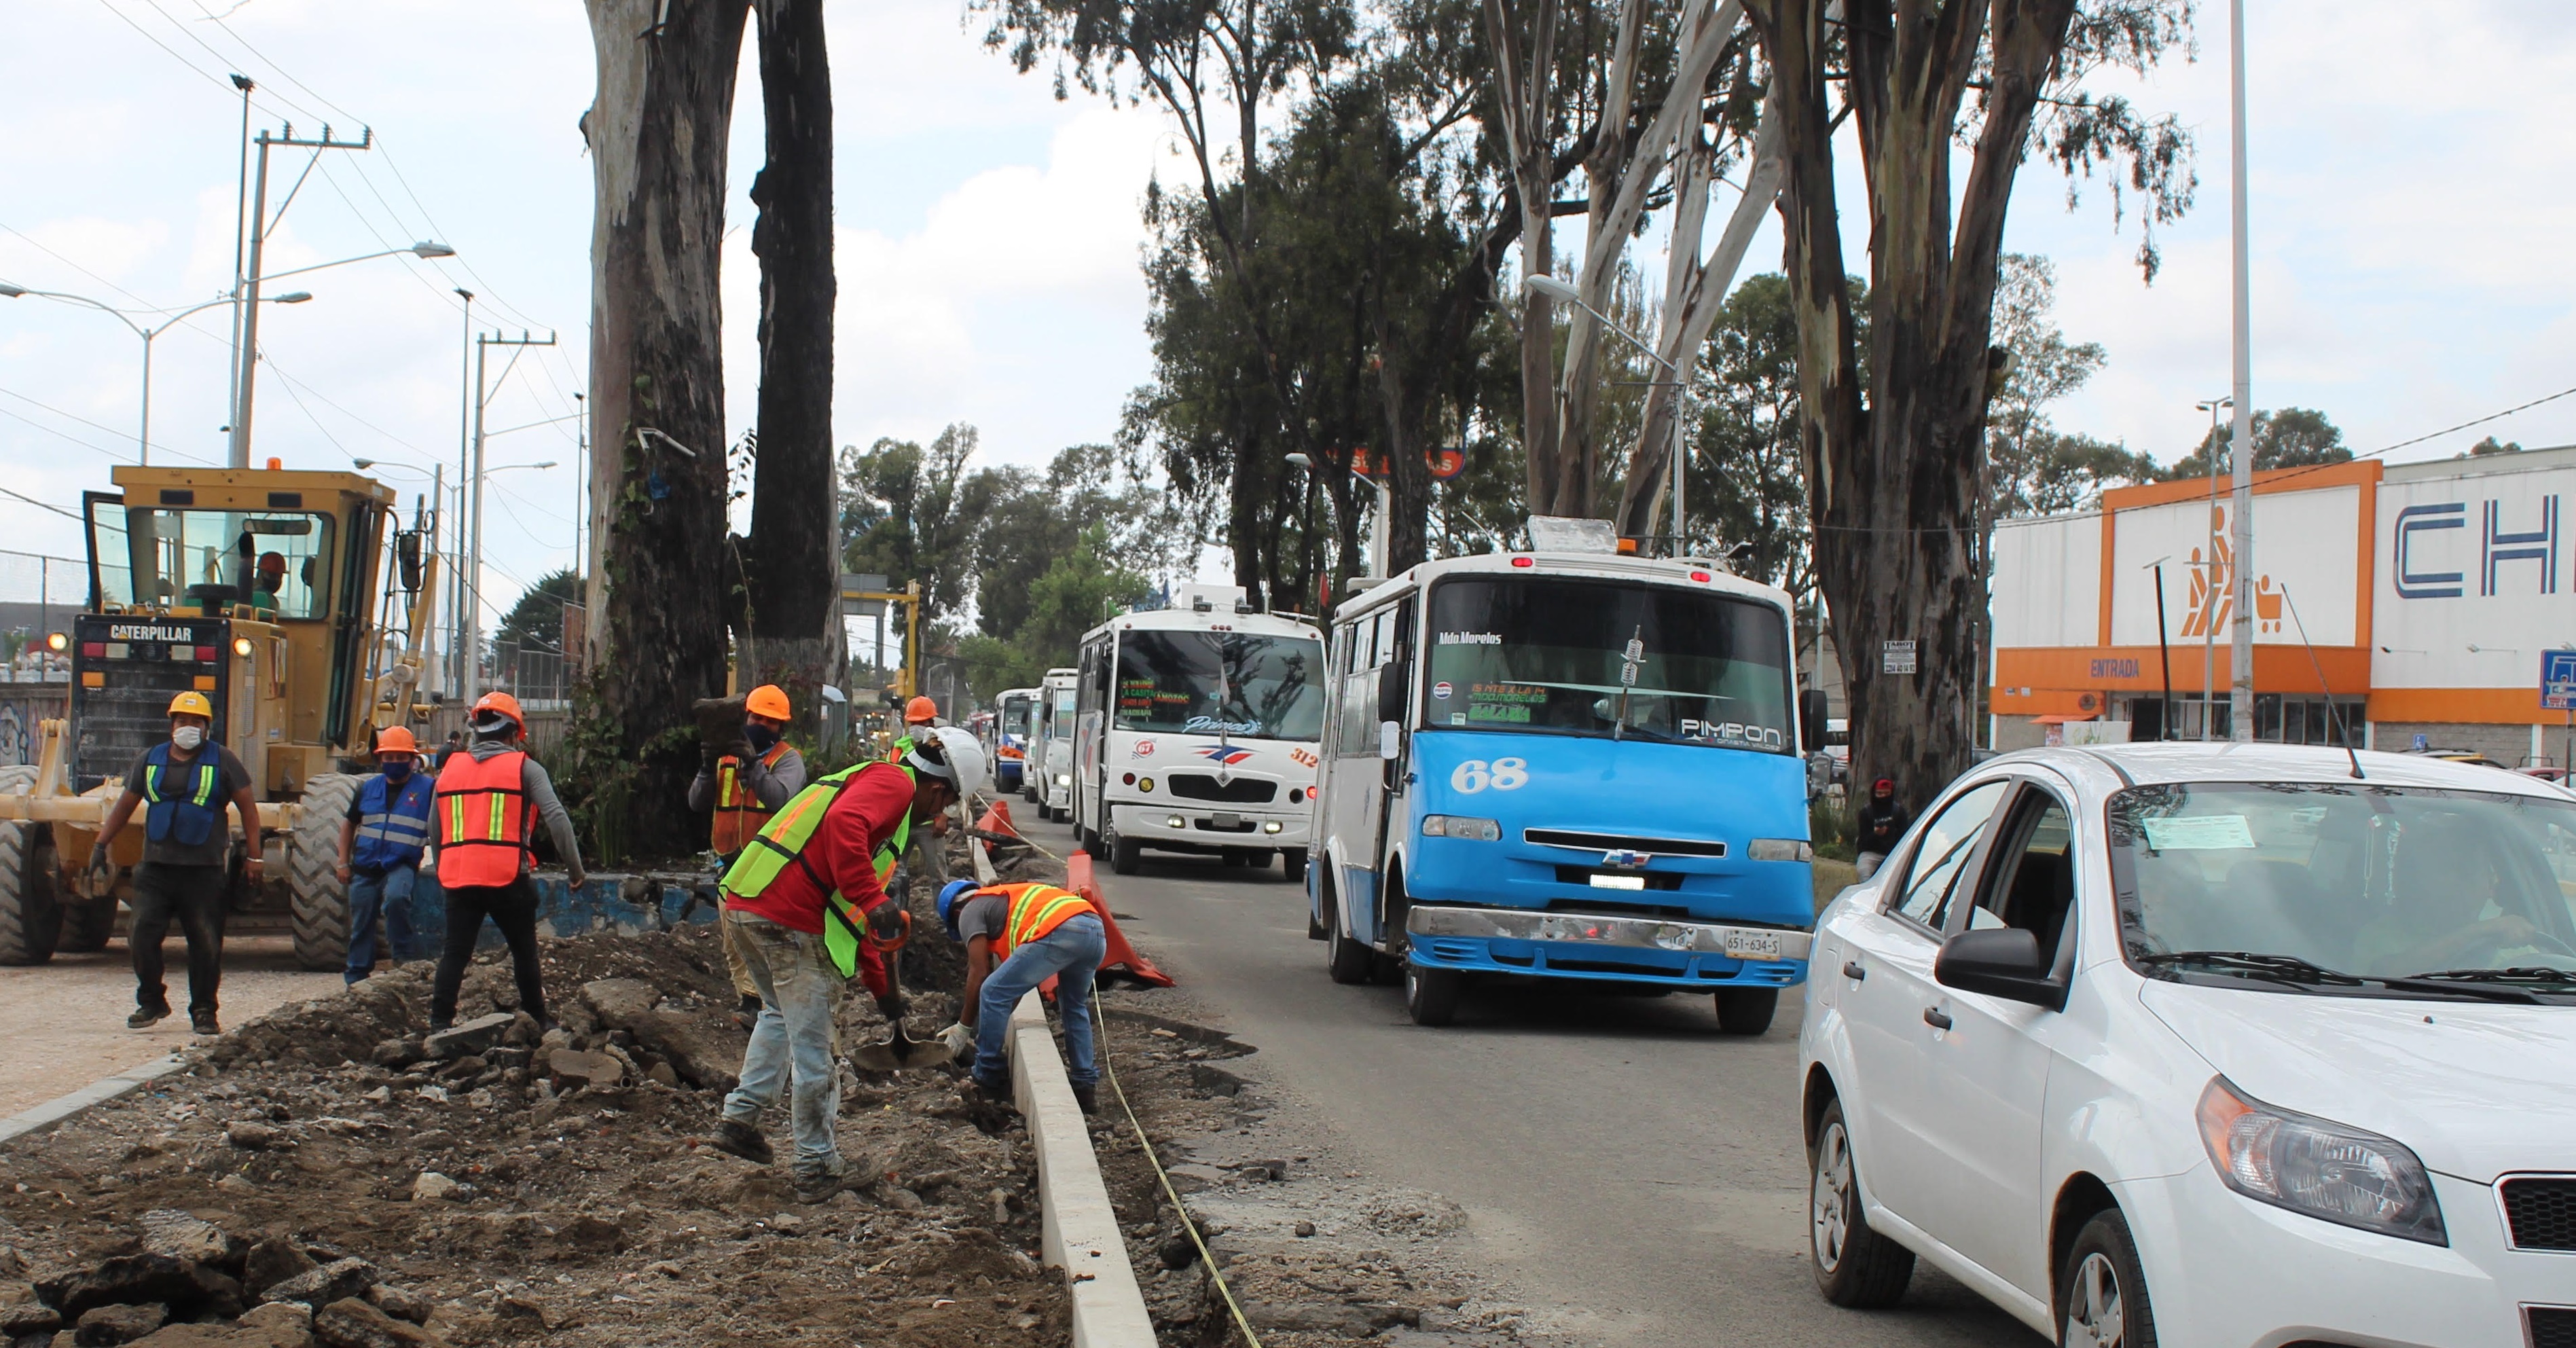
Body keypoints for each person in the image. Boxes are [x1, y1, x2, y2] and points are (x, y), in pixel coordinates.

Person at [703, 727, 987, 1202]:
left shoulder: (871, 789)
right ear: (938, 789)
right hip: (789, 918)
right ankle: (815, 1164)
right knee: (815, 1048)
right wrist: (872, 898)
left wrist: (888, 1000)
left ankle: (740, 1119)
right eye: (941, 806)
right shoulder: (894, 785)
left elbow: (863, 926)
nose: (935, 816)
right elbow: (844, 832)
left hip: (748, 902)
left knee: (776, 1015)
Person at [89, 691, 264, 1036]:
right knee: (140, 935)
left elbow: (249, 809)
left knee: (205, 942)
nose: (189, 727)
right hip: (156, 868)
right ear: (172, 725)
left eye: (196, 722)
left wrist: (255, 857)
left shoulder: (223, 760)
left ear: (206, 727)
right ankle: (152, 1000)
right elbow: (126, 804)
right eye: (182, 721)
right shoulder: (150, 759)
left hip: (204, 870)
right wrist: (101, 843)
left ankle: (204, 1010)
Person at [429, 691, 587, 1032]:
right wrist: (575, 870)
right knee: (523, 952)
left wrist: (445, 870)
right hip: (508, 879)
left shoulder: (449, 771)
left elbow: (435, 829)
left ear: (476, 729)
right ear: (514, 733)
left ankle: (439, 1023)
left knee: (455, 953)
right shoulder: (526, 768)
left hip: (460, 881)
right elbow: (557, 818)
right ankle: (537, 1018)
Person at [687, 684, 808, 1023]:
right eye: (756, 717)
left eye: (770, 721)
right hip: (731, 862)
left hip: (771, 866)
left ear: (781, 727)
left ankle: (772, 1005)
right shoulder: (725, 756)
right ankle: (751, 1005)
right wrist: (708, 766)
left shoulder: (788, 760)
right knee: (733, 942)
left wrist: (754, 764)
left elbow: (781, 799)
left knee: (764, 940)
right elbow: (697, 802)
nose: (761, 724)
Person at [939, 879, 1108, 1114]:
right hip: (1094, 930)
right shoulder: (1005, 904)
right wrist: (989, 1024)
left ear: (956, 911)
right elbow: (1013, 990)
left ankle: (987, 1076)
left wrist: (963, 1028)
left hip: (1062, 929)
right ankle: (1085, 1087)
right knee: (1074, 1007)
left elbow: (979, 972)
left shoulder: (970, 909)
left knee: (991, 989)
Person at [335, 726, 436, 985]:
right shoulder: (368, 789)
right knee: (361, 922)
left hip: (401, 864)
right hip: (365, 867)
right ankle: (356, 978)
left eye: (401, 758)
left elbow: (440, 827)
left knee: (397, 900)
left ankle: (403, 962)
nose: (394, 763)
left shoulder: (427, 789)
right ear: (380, 759)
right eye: (389, 758)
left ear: (412, 760)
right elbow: (349, 825)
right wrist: (342, 862)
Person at [1854, 778, 1910, 881]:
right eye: (1879, 794)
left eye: (1886, 793)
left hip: (1893, 854)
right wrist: (1876, 834)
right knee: (1864, 872)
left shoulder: (1899, 812)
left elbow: (1904, 838)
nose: (1883, 797)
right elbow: (1863, 842)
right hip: (1871, 854)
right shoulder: (1866, 813)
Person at [247, 551, 287, 617]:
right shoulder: (267, 599)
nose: (276, 580)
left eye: (279, 576)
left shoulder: (244, 589)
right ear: (260, 573)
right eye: (272, 576)